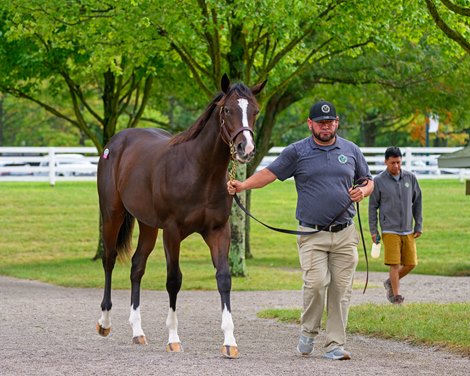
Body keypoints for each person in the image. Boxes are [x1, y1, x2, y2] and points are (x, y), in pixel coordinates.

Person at [227, 100, 373, 360]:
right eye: (320, 123)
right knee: (316, 284)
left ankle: (334, 345)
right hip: (311, 234)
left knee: (341, 291)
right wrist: (243, 185)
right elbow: (270, 174)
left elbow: (367, 180)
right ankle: (308, 331)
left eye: (330, 122)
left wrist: (362, 190)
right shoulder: (297, 151)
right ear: (310, 124)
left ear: (337, 123)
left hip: (345, 234)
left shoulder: (351, 150)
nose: (326, 127)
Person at [368, 146, 422, 305]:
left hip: (408, 229)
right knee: (394, 263)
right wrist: (373, 230)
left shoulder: (410, 178)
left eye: (398, 162)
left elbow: (417, 202)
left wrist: (418, 224)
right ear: (386, 162)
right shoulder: (378, 181)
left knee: (411, 263)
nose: (396, 166)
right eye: (392, 163)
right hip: (389, 229)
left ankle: (390, 282)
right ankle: (396, 296)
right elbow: (373, 207)